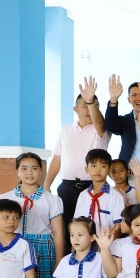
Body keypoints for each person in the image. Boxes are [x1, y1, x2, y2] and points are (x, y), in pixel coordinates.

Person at [45, 78, 110, 242]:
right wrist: (47, 185)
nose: (89, 110)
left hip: (92, 187)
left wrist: (90, 101)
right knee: (67, 230)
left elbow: (100, 123)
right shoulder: (66, 130)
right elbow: (57, 159)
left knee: (91, 230)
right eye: (85, 106)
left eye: (93, 107)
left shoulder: (100, 130)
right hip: (66, 188)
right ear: (76, 109)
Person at [74, 149, 126, 232]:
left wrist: (106, 244)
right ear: (87, 169)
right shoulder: (82, 195)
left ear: (109, 170)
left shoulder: (116, 196)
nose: (98, 170)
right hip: (84, 243)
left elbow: (118, 227)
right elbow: (76, 224)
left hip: (107, 243)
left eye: (103, 166)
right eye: (93, 166)